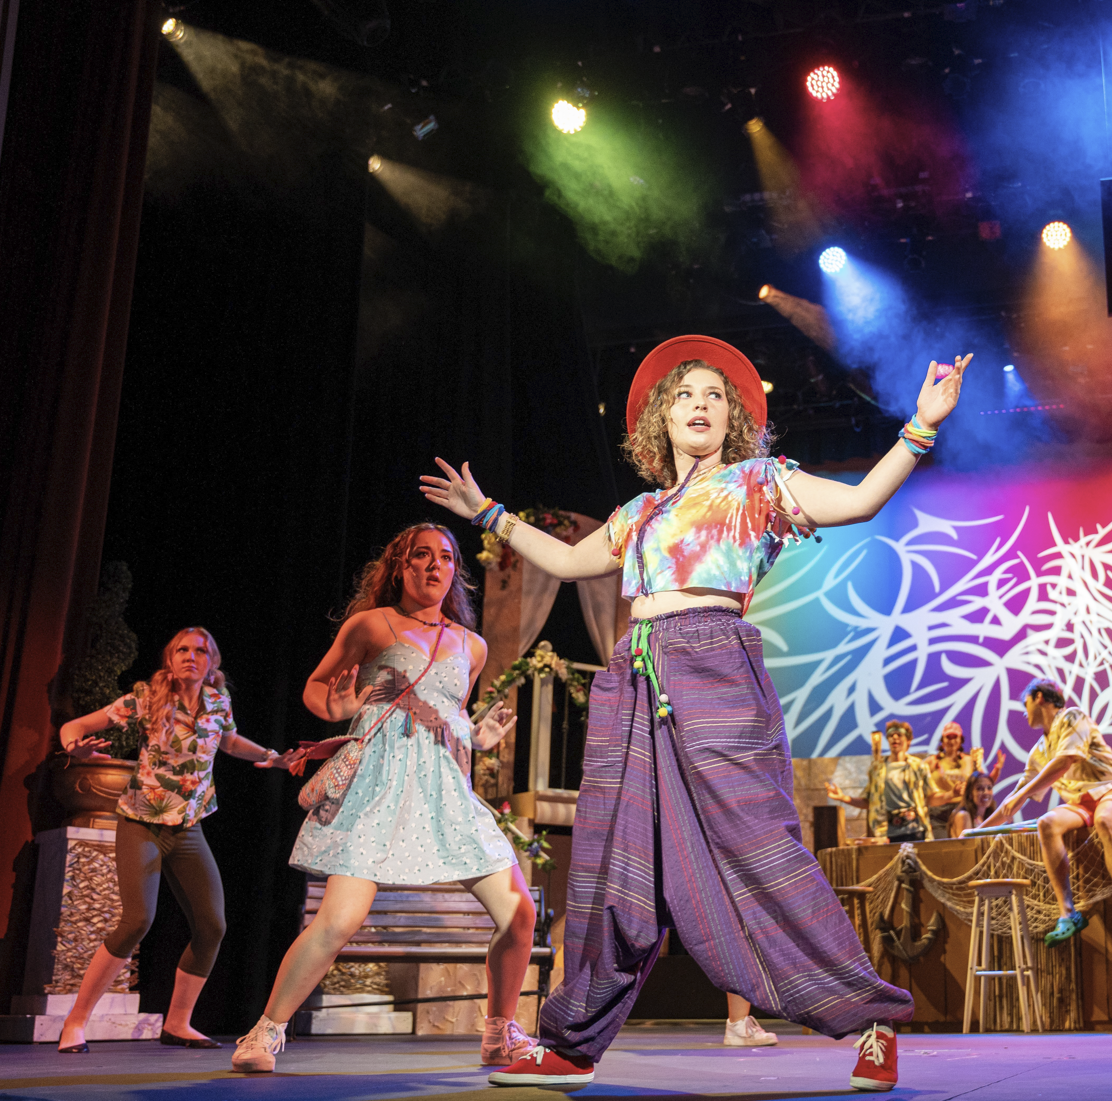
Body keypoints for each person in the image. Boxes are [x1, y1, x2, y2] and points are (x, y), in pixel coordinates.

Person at [421, 336, 971, 1091]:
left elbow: (860, 500)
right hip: (635, 677)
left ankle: (869, 1020)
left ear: (734, 418)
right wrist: (489, 513)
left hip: (713, 664)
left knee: (762, 849)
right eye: (686, 394)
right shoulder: (642, 510)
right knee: (619, 865)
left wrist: (921, 425)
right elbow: (573, 562)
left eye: (715, 394)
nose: (702, 404)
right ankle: (573, 1042)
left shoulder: (757, 483)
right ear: (661, 418)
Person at [232, 524, 533, 1073]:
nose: (434, 566)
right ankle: (263, 1032)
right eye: (421, 556)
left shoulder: (472, 645)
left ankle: (498, 1031)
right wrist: (341, 706)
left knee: (519, 914)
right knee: (339, 921)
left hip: (443, 790)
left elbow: (451, 713)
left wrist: (477, 737)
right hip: (378, 782)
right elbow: (318, 689)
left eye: (445, 557)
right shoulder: (369, 625)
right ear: (401, 566)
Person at [55, 628, 292, 1053]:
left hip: (190, 827)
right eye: (182, 649)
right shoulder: (147, 697)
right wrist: (76, 748)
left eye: (200, 650)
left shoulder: (219, 702)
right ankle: (74, 1023)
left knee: (212, 925)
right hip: (142, 821)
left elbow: (230, 741)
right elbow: (77, 725)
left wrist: (272, 758)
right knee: (137, 921)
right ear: (170, 659)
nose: (190, 656)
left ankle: (178, 1023)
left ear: (211, 662)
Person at [979, 678, 1112, 945]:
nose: (1024, 711)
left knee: (1104, 818)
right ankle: (1067, 913)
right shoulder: (1039, 750)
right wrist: (980, 829)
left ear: (1040, 697)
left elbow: (1066, 761)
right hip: (1082, 803)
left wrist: (1022, 794)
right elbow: (1016, 797)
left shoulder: (1072, 716)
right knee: (1047, 823)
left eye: (1026, 703)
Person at [826, 722, 937, 842]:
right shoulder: (877, 769)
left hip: (915, 829)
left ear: (908, 740)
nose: (894, 737)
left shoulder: (918, 767)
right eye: (891, 735)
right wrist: (843, 798)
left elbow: (932, 797)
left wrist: (952, 794)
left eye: (899, 735)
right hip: (887, 832)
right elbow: (869, 801)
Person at [926, 722, 1000, 836]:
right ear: (943, 740)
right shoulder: (933, 761)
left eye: (955, 737)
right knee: (943, 846)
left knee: (966, 844)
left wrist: (997, 769)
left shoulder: (969, 760)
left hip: (962, 808)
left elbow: (984, 782)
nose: (951, 741)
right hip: (939, 812)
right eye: (948, 737)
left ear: (961, 740)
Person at [947, 769, 997, 840]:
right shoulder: (963, 815)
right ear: (970, 794)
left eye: (989, 788)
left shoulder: (986, 816)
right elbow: (966, 847)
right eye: (980, 788)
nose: (986, 792)